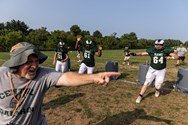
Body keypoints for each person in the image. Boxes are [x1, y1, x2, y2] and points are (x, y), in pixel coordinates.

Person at [0, 42, 121, 125]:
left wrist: (94, 77)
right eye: (29, 61)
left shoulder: (43, 75)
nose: (35, 66)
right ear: (16, 63)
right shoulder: (2, 75)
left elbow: (67, 77)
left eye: (36, 61)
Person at [130, 39, 178, 104]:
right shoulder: (152, 50)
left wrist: (171, 58)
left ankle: (157, 90)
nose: (158, 46)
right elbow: (142, 53)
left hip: (161, 70)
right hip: (152, 69)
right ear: (154, 45)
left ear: (163, 45)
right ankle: (140, 96)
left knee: (159, 84)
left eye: (160, 45)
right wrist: (134, 54)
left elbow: (176, 56)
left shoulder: (165, 50)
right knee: (147, 82)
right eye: (156, 45)